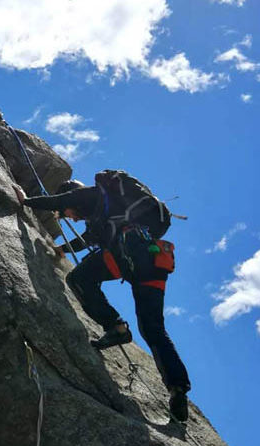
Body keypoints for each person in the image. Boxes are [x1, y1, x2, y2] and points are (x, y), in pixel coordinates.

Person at [15, 178, 191, 422]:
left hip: (124, 256)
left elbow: (62, 200)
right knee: (153, 329)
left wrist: (27, 201)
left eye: (67, 214)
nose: (71, 218)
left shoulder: (91, 195)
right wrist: (64, 250)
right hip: (150, 262)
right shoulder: (105, 217)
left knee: (79, 279)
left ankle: (115, 326)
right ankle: (178, 389)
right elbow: (84, 240)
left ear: (72, 197)